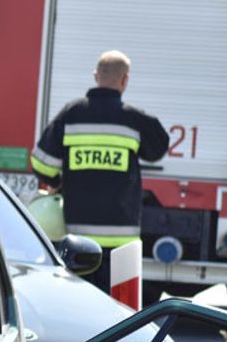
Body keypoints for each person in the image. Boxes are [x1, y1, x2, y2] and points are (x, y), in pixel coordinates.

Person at [30, 50, 168, 291]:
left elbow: (41, 163)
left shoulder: (71, 115)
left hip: (79, 244)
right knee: (123, 314)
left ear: (96, 76)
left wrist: (56, 180)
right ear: (125, 80)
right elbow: (159, 147)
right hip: (123, 245)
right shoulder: (133, 119)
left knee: (81, 310)